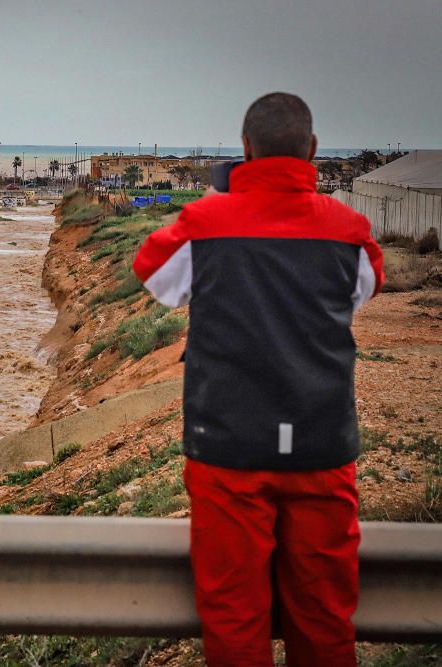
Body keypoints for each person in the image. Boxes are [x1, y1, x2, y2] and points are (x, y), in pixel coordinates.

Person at [132, 92, 384, 666]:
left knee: (233, 618)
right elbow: (365, 290)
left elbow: (152, 273)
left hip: (229, 450)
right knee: (323, 618)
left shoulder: (205, 223)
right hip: (321, 449)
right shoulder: (351, 232)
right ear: (313, 151)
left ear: (244, 151)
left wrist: (218, 199)